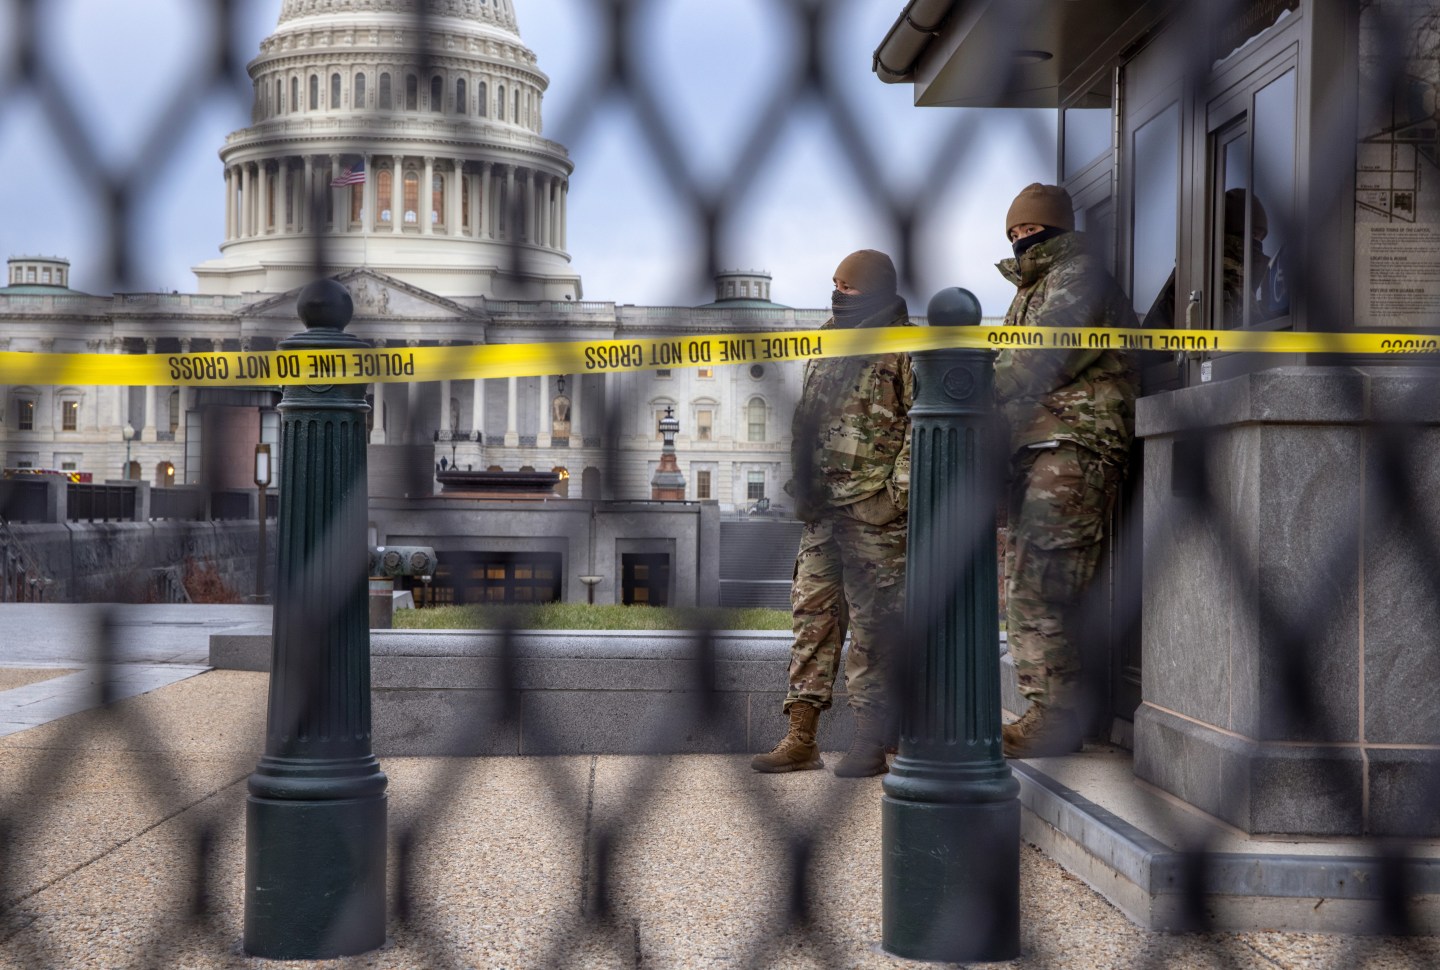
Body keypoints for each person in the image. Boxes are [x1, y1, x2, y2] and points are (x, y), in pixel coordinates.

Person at [751, 249, 914, 778]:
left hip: (875, 514)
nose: (836, 295)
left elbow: (921, 429)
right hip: (824, 513)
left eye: (846, 288)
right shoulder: (824, 343)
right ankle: (801, 738)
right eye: (834, 285)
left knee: (873, 628)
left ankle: (870, 741)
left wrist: (893, 498)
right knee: (812, 619)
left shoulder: (907, 347)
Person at [994, 184, 1138, 758]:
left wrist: (963, 387)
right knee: (1035, 580)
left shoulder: (1078, 276)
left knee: (1040, 583)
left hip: (1076, 446)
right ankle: (1055, 711)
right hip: (1047, 447)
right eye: (1012, 234)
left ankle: (1054, 719)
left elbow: (1036, 360)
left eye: (1027, 230)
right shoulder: (1035, 286)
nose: (1020, 239)